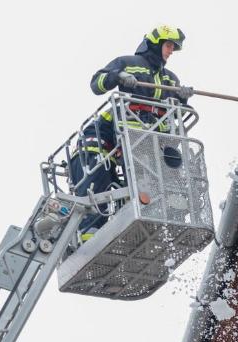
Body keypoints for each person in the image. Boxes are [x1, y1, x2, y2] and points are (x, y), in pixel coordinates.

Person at [70, 25, 194, 241]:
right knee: (98, 171)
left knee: (169, 162)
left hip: (146, 140)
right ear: (155, 44)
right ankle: (89, 232)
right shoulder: (129, 63)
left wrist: (183, 99)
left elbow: (175, 114)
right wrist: (117, 76)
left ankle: (165, 210)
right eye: (168, 45)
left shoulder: (170, 79)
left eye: (173, 47)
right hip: (109, 132)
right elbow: (96, 84)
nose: (171, 51)